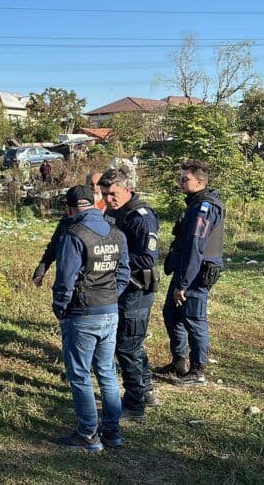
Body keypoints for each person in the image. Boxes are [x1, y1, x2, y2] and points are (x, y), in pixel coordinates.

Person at [53, 185, 130, 451]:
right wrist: (110, 296)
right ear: (94, 203)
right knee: (107, 372)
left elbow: (65, 279)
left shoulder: (74, 234)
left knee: (80, 375)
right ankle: (112, 432)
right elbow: (124, 273)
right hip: (110, 311)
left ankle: (87, 433)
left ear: (70, 208)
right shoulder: (117, 232)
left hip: (82, 313)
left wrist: (61, 309)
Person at [99, 168, 161, 421]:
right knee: (131, 343)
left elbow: (148, 257)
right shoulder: (113, 211)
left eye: (113, 193)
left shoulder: (141, 216)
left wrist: (113, 255)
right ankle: (146, 390)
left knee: (127, 346)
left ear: (127, 189)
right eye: (104, 194)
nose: (109, 199)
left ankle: (135, 404)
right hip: (122, 286)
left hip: (137, 288)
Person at [158, 160, 225, 386]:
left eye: (185, 179)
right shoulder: (194, 204)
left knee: (194, 320)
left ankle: (198, 371)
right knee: (172, 314)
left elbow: (196, 246)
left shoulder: (204, 208)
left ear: (200, 182)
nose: (180, 183)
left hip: (196, 274)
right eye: (181, 178)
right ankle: (178, 362)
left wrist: (183, 285)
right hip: (184, 270)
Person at [31, 171, 106, 288]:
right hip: (74, 280)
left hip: (102, 281)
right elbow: (55, 244)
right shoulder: (70, 215)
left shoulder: (110, 213)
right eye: (91, 184)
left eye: (98, 185)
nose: (95, 188)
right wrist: (41, 270)